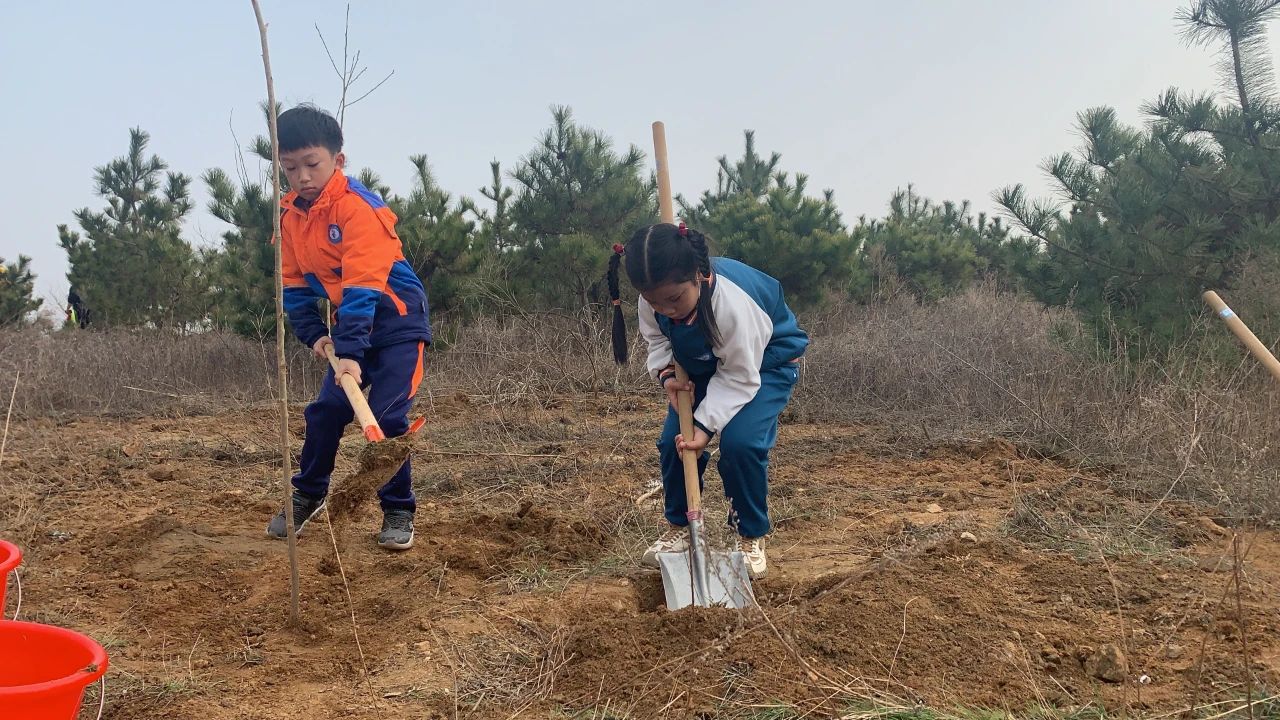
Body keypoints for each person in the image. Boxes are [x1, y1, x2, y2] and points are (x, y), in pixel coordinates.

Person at [264, 104, 431, 551]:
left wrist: (352, 355)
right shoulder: (290, 219)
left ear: (338, 160)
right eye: (289, 167)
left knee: (389, 418)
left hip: (396, 322)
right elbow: (295, 286)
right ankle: (309, 494)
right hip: (348, 329)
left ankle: (398, 507)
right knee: (325, 413)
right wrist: (315, 334)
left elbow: (362, 289)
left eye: (311, 164)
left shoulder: (359, 209)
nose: (301, 177)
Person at [607, 222, 808, 578]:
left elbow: (739, 375)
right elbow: (658, 342)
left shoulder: (732, 306)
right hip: (705, 365)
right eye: (654, 301)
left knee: (741, 445)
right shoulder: (653, 300)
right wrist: (667, 374)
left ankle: (749, 536)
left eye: (674, 299)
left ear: (700, 275)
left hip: (763, 364)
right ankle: (681, 532)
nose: (665, 309)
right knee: (675, 444)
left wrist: (703, 425)